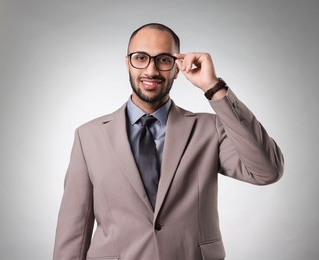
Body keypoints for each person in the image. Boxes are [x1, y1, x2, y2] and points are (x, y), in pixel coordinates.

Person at [53, 23, 284, 260]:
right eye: (140, 58)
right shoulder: (89, 136)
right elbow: (74, 231)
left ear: (176, 68)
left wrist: (214, 88)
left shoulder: (209, 129)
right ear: (127, 64)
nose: (151, 71)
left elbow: (267, 171)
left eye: (163, 60)